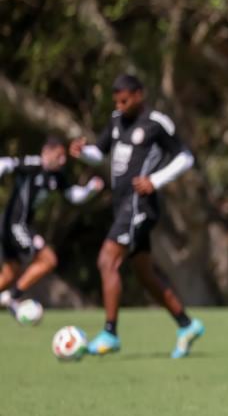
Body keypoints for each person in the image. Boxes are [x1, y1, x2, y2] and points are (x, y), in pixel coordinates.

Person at [70, 74, 205, 358]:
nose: (120, 105)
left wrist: (155, 180)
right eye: (116, 100)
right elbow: (100, 152)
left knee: (107, 260)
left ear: (140, 94)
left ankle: (110, 333)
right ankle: (187, 324)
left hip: (139, 205)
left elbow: (185, 158)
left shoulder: (157, 123)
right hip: (121, 205)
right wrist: (82, 152)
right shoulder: (117, 120)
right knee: (144, 274)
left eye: (125, 99)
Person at [0, 138, 104, 316]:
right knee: (48, 260)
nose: (63, 161)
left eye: (64, 157)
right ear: (47, 153)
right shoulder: (33, 165)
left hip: (19, 226)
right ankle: (12, 297)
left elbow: (73, 196)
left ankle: (11, 295)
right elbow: (6, 163)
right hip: (15, 224)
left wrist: (90, 189)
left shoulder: (57, 175)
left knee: (10, 273)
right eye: (59, 156)